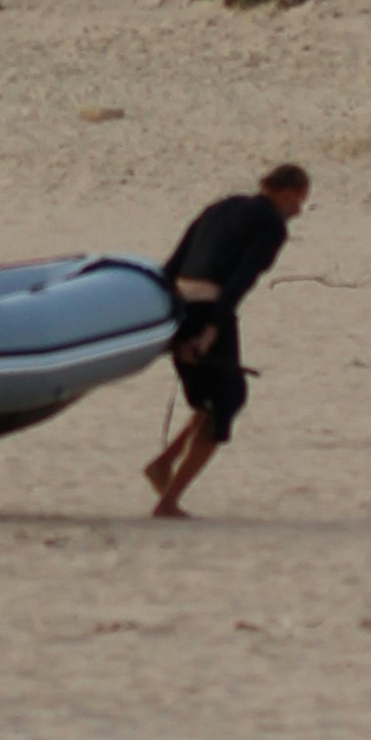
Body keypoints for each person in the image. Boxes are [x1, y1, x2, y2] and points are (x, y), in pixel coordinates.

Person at [143, 163, 309, 519]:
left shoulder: (219, 207)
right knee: (227, 400)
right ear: (285, 192)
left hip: (178, 307)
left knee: (211, 399)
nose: (299, 210)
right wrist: (210, 331)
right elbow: (240, 281)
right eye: (299, 200)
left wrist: (167, 320)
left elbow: (172, 265)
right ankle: (168, 502)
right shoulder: (271, 225)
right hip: (209, 310)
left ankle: (164, 464)